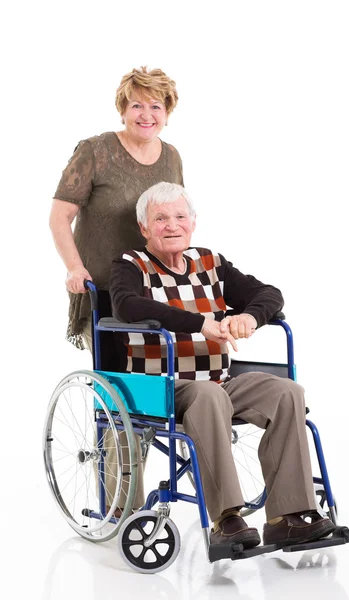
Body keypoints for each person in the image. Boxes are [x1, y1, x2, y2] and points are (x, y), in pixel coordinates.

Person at [109, 181, 336, 548]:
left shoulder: (210, 262)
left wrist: (250, 317)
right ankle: (227, 519)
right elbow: (126, 306)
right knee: (208, 397)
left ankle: (287, 517)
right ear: (144, 228)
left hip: (219, 379)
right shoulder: (130, 265)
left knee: (287, 392)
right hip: (162, 387)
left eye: (180, 216)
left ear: (193, 223)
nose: (172, 225)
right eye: (161, 218)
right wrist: (200, 323)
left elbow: (269, 293)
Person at [50, 66, 183, 511]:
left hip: (153, 293)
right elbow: (58, 217)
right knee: (120, 397)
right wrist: (74, 267)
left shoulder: (171, 157)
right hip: (103, 292)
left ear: (167, 112)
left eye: (156, 106)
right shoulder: (96, 151)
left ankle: (134, 497)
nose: (146, 114)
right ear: (123, 109)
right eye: (137, 105)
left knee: (150, 395)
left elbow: (172, 218)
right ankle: (121, 507)